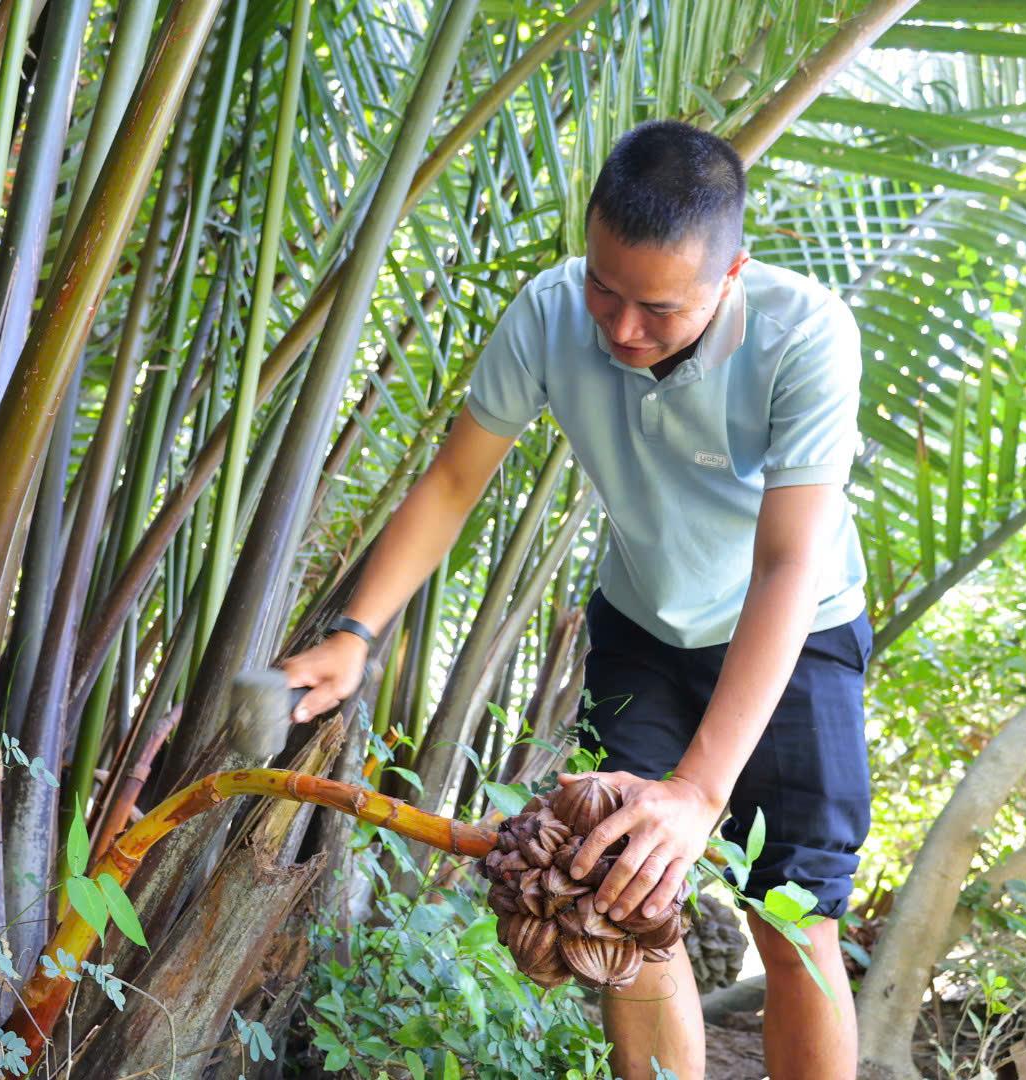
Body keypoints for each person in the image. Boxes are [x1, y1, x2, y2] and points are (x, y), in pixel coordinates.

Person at [281, 118, 871, 1080]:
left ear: (730, 274)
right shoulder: (551, 311)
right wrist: (355, 632)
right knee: (620, 892)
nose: (621, 327)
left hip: (797, 633)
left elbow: (787, 566)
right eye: (605, 285)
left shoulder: (806, 334)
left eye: (658, 307)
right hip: (644, 626)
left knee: (795, 916)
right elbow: (452, 483)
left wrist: (698, 794)